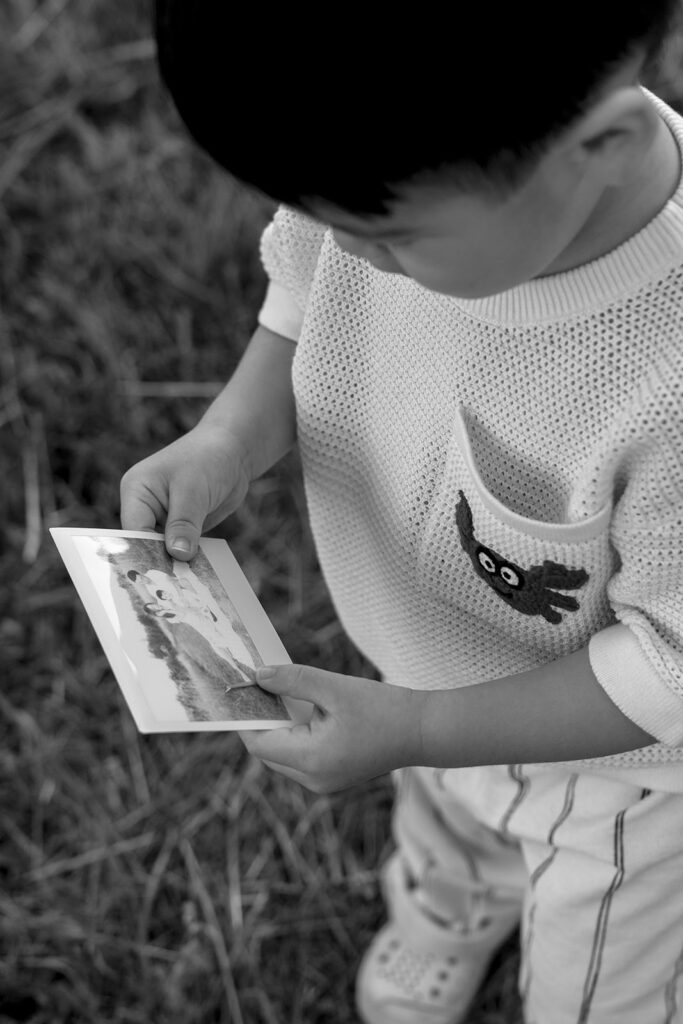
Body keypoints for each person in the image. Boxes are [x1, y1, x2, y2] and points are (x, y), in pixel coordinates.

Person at [120, 2, 683, 1021]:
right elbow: (301, 298)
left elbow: (668, 666)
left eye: (383, 235)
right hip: (423, 669)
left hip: (625, 783)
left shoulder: (666, 366)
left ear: (602, 144)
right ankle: (456, 898)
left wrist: (420, 725)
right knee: (445, 819)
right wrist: (228, 437)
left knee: (594, 995)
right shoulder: (399, 183)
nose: (343, 248)